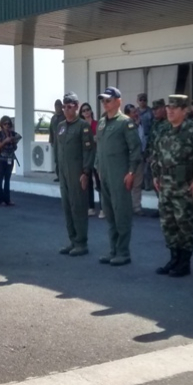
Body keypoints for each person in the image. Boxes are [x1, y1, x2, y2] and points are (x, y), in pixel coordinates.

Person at [152, 95, 193, 277]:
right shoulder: (163, 129)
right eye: (168, 107)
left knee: (185, 225)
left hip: (184, 187)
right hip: (165, 185)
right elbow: (155, 154)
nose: (169, 111)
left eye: (174, 108)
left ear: (185, 110)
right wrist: (155, 175)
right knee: (168, 224)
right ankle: (173, 258)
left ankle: (184, 263)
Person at [95, 87, 142, 266]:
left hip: (120, 175)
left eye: (108, 100)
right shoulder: (101, 123)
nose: (105, 104)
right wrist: (97, 168)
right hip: (105, 174)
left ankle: (123, 252)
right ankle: (113, 249)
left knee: (121, 213)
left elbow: (135, 149)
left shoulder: (125, 123)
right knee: (109, 213)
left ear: (118, 101)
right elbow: (99, 148)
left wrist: (131, 172)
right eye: (103, 101)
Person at [57, 92, 95, 257]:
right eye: (65, 106)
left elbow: (89, 151)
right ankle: (72, 240)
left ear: (76, 106)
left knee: (78, 207)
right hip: (64, 173)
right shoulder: (61, 126)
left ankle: (81, 242)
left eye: (70, 106)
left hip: (77, 173)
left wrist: (86, 172)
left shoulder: (83, 126)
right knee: (67, 207)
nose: (66, 109)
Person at [0, 115, 21, 206]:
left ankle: (7, 199)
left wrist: (13, 142)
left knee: (7, 179)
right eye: (5, 124)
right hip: (0, 159)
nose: (7, 125)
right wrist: (5, 142)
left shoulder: (13, 134)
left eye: (8, 124)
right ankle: (0, 200)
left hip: (10, 159)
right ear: (2, 124)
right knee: (0, 179)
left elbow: (15, 147)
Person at [80, 102, 101, 217]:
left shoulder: (97, 124)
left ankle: (103, 208)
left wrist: (93, 139)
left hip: (97, 156)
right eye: (83, 111)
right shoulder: (81, 125)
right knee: (88, 183)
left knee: (99, 182)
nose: (86, 112)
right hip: (86, 157)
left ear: (91, 111)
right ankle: (91, 207)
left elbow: (100, 137)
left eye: (88, 109)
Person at [124, 104, 146, 216]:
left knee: (137, 183)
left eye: (136, 112)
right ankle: (126, 206)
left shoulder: (139, 123)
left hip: (139, 157)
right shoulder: (125, 125)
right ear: (127, 114)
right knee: (127, 183)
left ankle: (136, 206)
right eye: (133, 112)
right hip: (128, 158)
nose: (136, 114)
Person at [49, 99, 65, 182]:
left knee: (63, 158)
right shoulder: (53, 118)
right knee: (56, 159)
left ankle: (63, 176)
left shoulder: (65, 116)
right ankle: (59, 175)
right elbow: (51, 129)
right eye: (56, 106)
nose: (57, 107)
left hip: (63, 141)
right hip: (55, 141)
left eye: (59, 106)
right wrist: (51, 140)